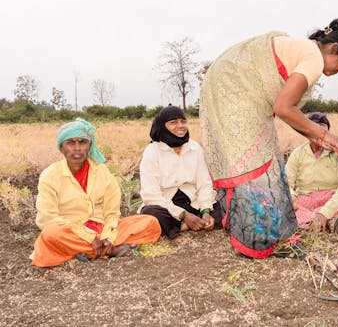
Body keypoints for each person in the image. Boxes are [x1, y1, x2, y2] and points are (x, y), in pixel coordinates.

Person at [200, 19, 338, 258]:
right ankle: (257, 239)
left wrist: (317, 136)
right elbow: (284, 107)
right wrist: (326, 134)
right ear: (333, 47)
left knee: (264, 158)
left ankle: (271, 235)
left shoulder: (303, 50)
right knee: (254, 164)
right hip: (235, 92)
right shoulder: (314, 57)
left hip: (225, 84)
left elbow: (288, 114)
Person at [31, 118, 161, 267]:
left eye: (82, 142)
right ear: (61, 148)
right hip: (73, 232)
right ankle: (110, 251)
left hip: (104, 230)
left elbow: (111, 212)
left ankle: (91, 251)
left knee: (151, 223)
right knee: (50, 234)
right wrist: (90, 238)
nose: (77, 148)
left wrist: (107, 238)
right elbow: (47, 219)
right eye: (71, 143)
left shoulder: (102, 171)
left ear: (90, 146)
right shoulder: (50, 176)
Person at [138, 105, 221, 239]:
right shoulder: (152, 151)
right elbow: (151, 195)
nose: (180, 125)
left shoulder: (195, 148)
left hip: (192, 203)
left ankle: (185, 225)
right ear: (162, 126)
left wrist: (205, 210)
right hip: (166, 205)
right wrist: (183, 215)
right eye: (173, 122)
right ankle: (186, 223)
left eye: (183, 121)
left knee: (226, 207)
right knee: (150, 213)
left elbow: (204, 183)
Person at [286, 112, 338, 233]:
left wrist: (324, 212)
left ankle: (313, 221)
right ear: (306, 131)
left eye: (322, 126)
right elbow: (286, 181)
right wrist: (292, 196)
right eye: (313, 126)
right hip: (306, 198)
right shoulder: (298, 153)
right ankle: (329, 222)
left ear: (328, 131)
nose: (317, 131)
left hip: (332, 197)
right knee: (283, 207)